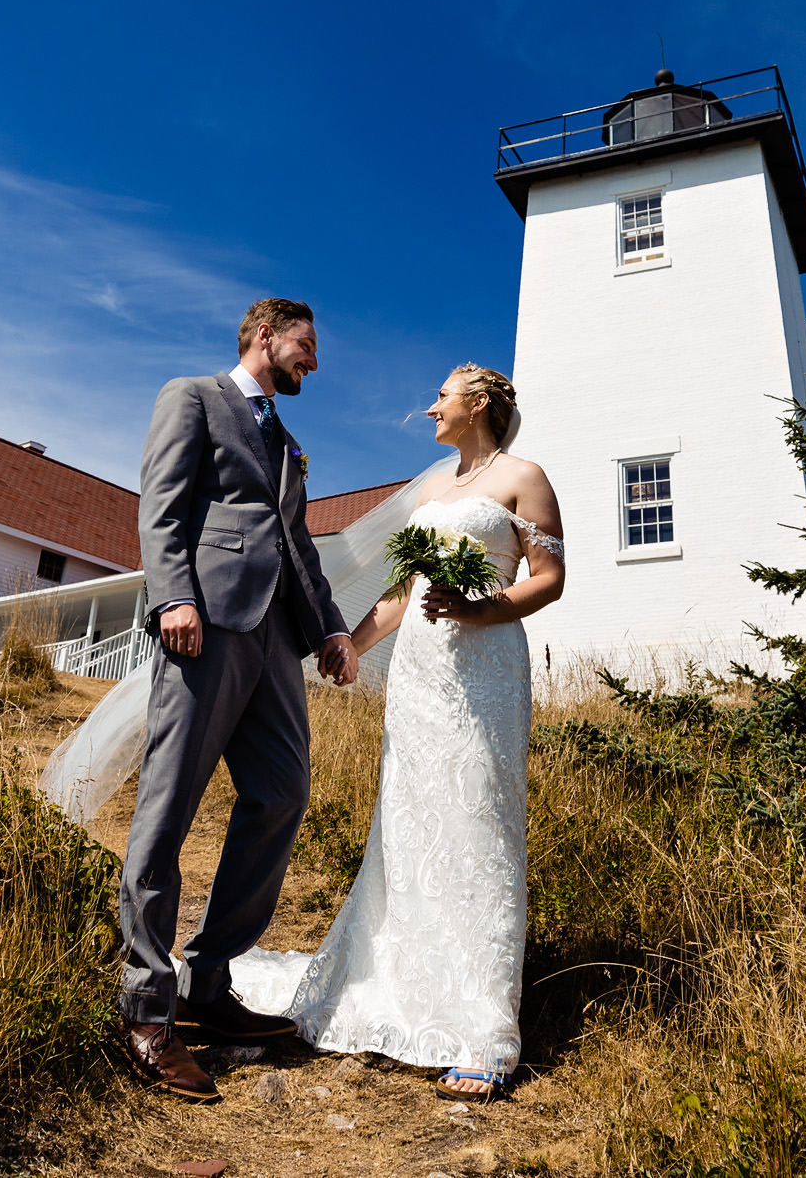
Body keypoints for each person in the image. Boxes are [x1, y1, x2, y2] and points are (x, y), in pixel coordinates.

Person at [229, 363, 565, 1102]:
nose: (430, 406)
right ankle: (403, 985)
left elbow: (548, 576)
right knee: (411, 825)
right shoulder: (431, 488)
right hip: (417, 675)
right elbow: (400, 595)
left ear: (476, 403)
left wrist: (482, 608)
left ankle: (481, 1027)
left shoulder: (524, 476)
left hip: (484, 669)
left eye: (442, 396)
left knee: (478, 820)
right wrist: (348, 642)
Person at [117, 298, 359, 1103]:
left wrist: (329, 628)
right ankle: (147, 1007)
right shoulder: (191, 395)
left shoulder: (289, 444)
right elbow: (164, 505)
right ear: (266, 334)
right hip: (205, 622)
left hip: (274, 640)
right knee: (170, 804)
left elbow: (298, 543)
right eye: (306, 345)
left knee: (284, 791)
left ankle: (208, 983)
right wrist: (173, 597)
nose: (312, 362)